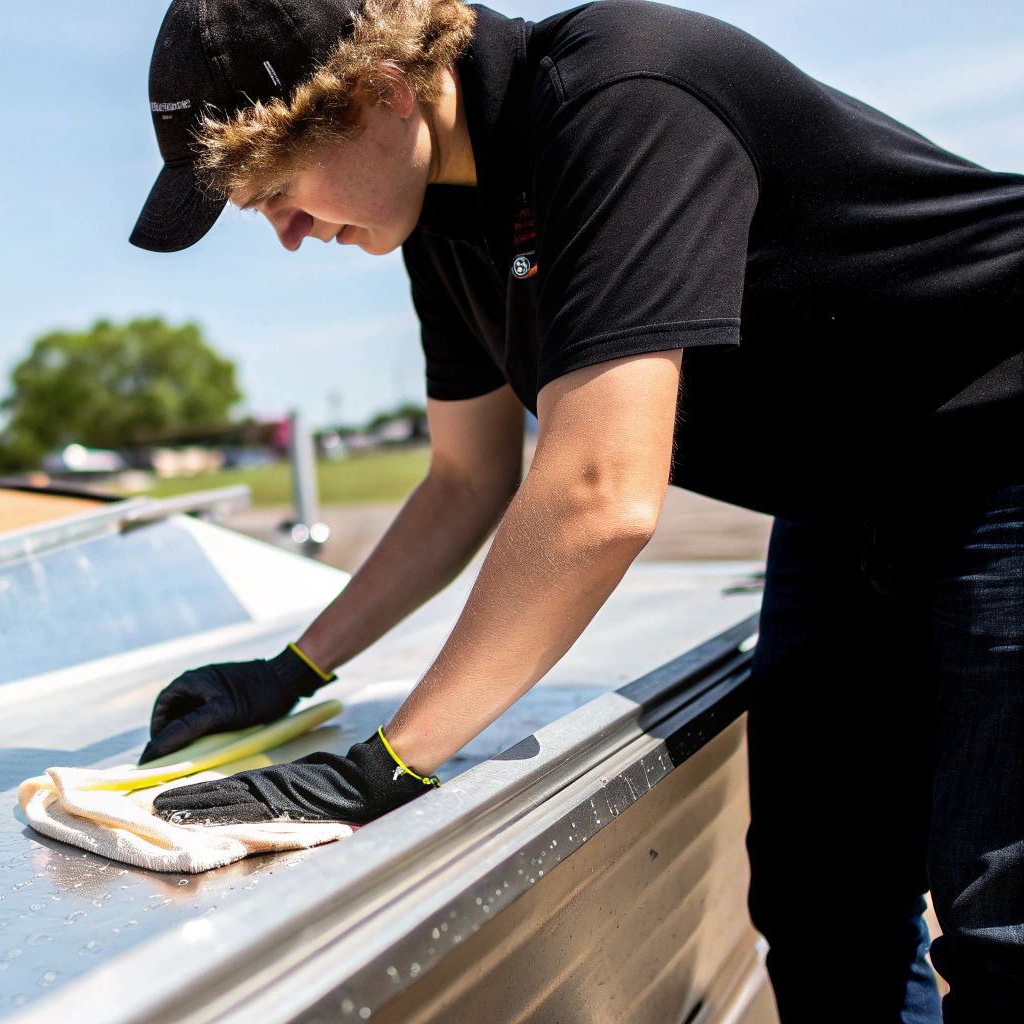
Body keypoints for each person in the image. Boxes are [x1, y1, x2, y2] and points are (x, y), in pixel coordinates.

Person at [126, 0, 1023, 1019]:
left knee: (1003, 927)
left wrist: (389, 764)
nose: (286, 233)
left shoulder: (621, 99)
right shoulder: (439, 223)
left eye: (281, 189)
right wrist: (290, 672)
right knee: (820, 902)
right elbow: (465, 480)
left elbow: (600, 494)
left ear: (382, 91)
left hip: (1001, 435)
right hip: (842, 490)